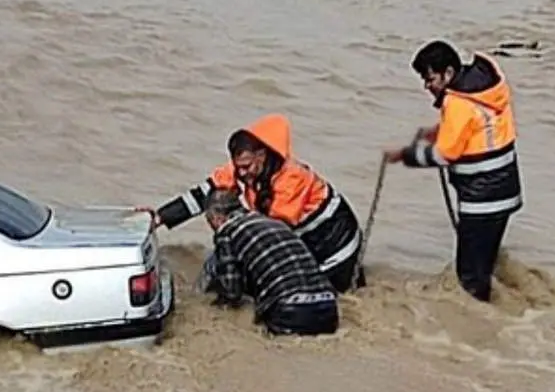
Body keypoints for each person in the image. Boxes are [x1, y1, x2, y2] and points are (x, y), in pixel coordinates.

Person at [143, 113, 366, 293]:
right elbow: (203, 194)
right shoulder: (243, 167)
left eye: (247, 166)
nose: (242, 173)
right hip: (301, 237)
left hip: (334, 247)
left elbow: (273, 233)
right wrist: (159, 217)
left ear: (261, 156)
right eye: (238, 166)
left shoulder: (293, 179)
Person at [382, 40, 523, 303]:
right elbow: (478, 127)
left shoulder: (457, 103)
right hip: (505, 192)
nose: (427, 85)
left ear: (448, 73)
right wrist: (438, 132)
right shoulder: (482, 91)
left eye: (429, 78)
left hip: (482, 200)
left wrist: (404, 155)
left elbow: (443, 155)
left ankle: (479, 326)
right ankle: (498, 312)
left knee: (468, 278)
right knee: (484, 264)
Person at [198, 188, 340, 336]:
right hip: (328, 309)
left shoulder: (227, 231)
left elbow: (231, 291)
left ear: (216, 218)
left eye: (209, 221)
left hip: (291, 312)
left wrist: (210, 306)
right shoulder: (274, 222)